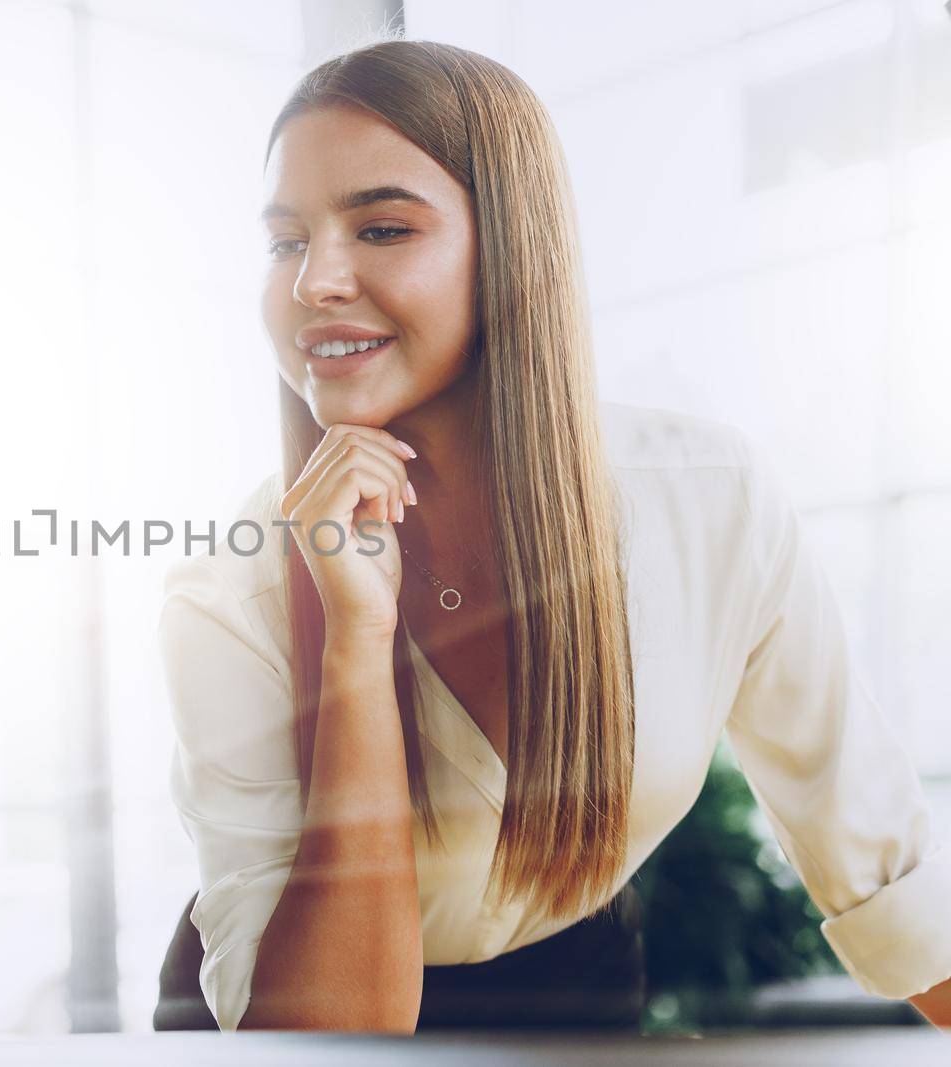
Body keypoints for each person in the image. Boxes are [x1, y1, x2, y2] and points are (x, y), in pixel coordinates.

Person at [156, 38, 951, 1034]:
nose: (315, 279)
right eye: (285, 241)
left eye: (383, 228)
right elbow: (324, 1039)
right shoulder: (229, 593)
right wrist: (355, 647)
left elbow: (888, 873)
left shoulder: (708, 500)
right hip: (295, 1008)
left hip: (574, 990)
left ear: (512, 248)